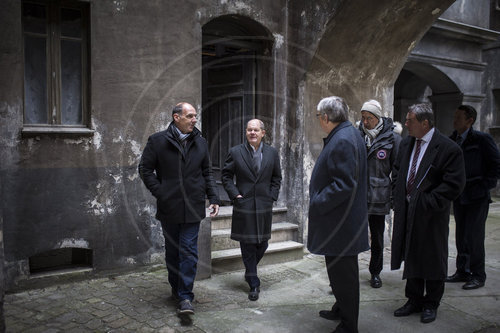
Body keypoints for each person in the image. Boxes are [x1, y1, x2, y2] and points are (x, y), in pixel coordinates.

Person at [138, 102, 220, 316]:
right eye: (190, 116)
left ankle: (185, 296)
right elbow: (145, 169)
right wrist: (161, 192)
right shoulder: (157, 141)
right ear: (177, 117)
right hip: (169, 207)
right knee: (173, 252)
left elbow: (207, 173)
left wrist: (213, 197)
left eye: (195, 116)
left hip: (193, 206)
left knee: (189, 251)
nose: (195, 120)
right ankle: (176, 288)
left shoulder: (200, 142)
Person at [391, 103, 465, 324]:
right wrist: (398, 194)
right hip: (407, 211)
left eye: (410, 120)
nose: (405, 124)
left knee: (432, 257)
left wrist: (427, 202)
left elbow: (454, 183)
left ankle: (431, 303)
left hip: (431, 214)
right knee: (412, 253)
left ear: (425, 123)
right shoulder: (407, 144)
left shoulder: (447, 148)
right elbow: (397, 171)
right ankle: (413, 299)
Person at [309, 96, 369, 333]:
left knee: (344, 277)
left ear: (325, 117)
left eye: (318, 117)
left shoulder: (343, 139)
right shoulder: (349, 133)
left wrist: (318, 201)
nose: (319, 121)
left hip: (340, 223)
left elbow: (344, 184)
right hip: (342, 222)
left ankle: (348, 324)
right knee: (339, 272)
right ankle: (340, 309)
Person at [221, 119, 282, 301]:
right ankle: (254, 282)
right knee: (247, 244)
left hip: (264, 205)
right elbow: (225, 176)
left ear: (263, 133)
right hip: (244, 204)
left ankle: (249, 271)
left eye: (256, 130)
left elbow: (277, 177)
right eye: (249, 130)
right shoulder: (235, 152)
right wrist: (235, 195)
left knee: (263, 243)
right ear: (246, 132)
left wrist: (272, 196)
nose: (252, 133)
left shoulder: (272, 153)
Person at [446, 105, 500, 289]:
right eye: (454, 116)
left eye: (458, 117)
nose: (454, 121)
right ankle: (462, 271)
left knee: (475, 237)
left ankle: (478, 275)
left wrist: (484, 186)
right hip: (460, 196)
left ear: (469, 120)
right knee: (461, 236)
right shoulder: (453, 139)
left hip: (477, 196)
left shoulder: (481, 139)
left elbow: (496, 166)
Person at [358, 99, 401, 288]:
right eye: (363, 118)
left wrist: (393, 197)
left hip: (379, 196)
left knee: (377, 237)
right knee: (352, 238)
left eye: (369, 118)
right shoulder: (356, 136)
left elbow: (397, 170)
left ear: (377, 118)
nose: (365, 122)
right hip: (358, 196)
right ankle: (348, 275)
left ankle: (375, 272)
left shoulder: (392, 139)